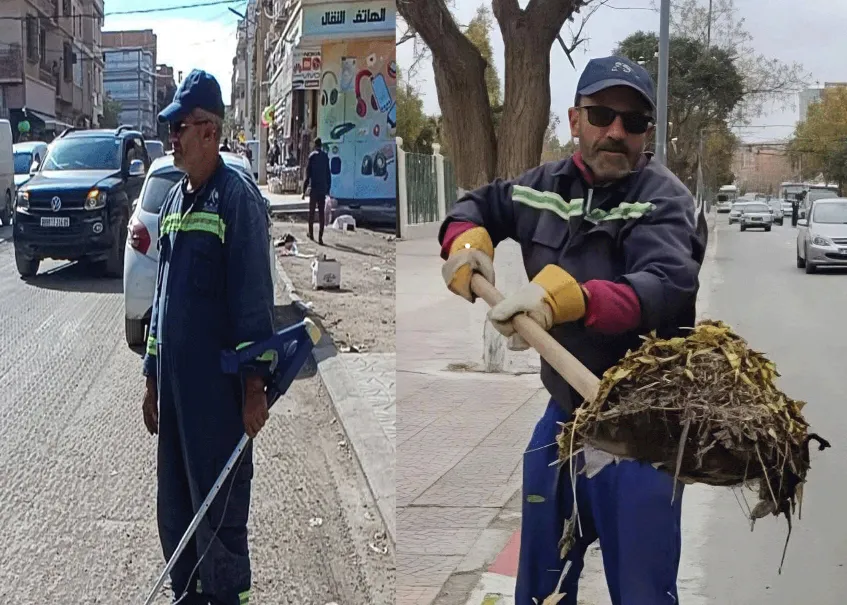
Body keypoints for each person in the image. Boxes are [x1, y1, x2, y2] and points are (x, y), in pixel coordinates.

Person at [438, 55, 707, 605]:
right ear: (574, 119)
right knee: (538, 585)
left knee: (642, 592)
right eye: (603, 113)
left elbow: (663, 286)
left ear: (646, 133)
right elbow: (480, 203)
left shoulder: (665, 199)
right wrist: (466, 245)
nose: (616, 131)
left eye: (632, 122)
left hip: (642, 434)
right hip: (565, 418)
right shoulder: (544, 187)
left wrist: (570, 300)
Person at [141, 69, 275, 605]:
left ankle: (224, 599)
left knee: (218, 515)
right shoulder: (174, 202)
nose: (173, 138)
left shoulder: (235, 201)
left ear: (211, 133)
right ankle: (187, 594)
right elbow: (163, 301)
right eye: (171, 128)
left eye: (182, 128)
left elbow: (252, 302)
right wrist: (151, 379)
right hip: (175, 395)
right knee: (175, 507)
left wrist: (254, 386)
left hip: (217, 403)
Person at [302, 137, 331, 244]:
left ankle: (311, 234)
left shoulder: (312, 157)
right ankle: (320, 237)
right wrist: (328, 189)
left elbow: (307, 175)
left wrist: (304, 190)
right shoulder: (325, 157)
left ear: (315, 145)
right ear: (321, 145)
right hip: (322, 190)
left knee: (312, 213)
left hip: (314, 189)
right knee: (321, 214)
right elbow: (328, 175)